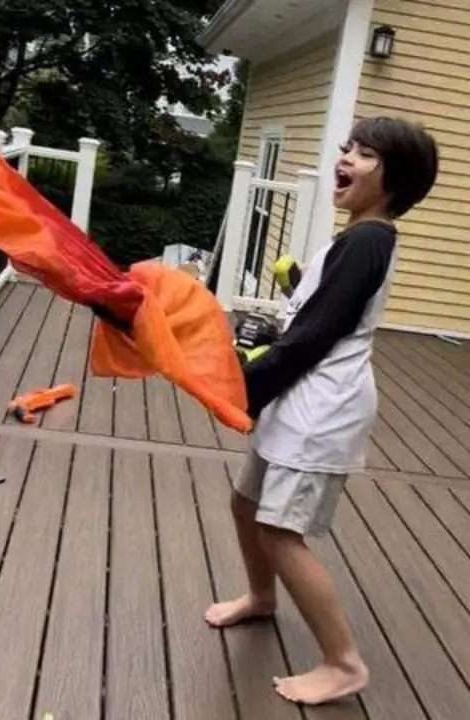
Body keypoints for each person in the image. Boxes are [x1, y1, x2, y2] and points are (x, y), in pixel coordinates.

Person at [204, 116, 439, 706]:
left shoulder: (368, 240)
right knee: (247, 503)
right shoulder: (357, 236)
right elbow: (326, 306)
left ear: (394, 178)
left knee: (280, 531)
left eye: (365, 154)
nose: (348, 158)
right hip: (301, 398)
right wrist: (299, 282)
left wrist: (245, 388)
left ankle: (343, 662)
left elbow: (314, 336)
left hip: (321, 410)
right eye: (348, 149)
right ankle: (262, 599)